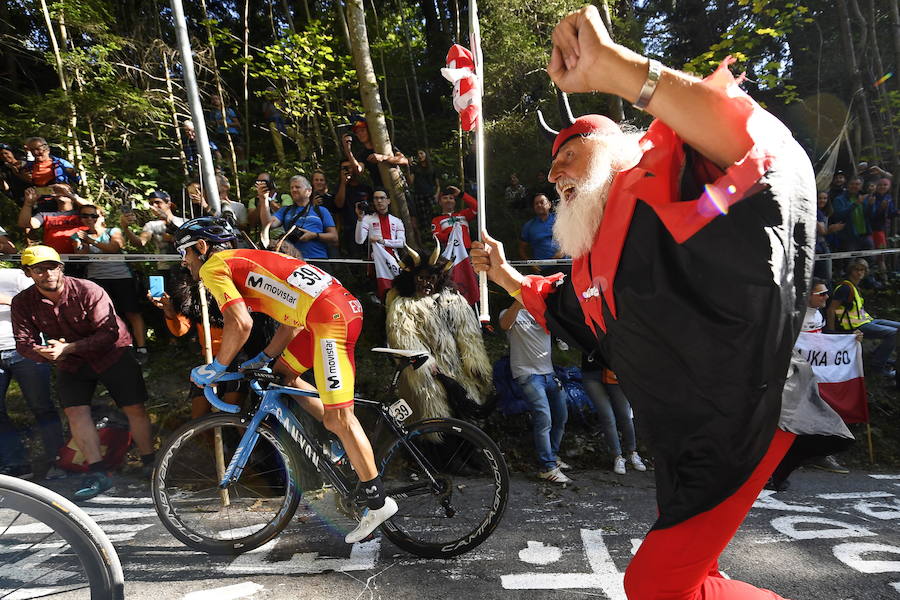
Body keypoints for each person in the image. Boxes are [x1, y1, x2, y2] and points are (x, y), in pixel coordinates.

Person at [471, 6, 829, 598]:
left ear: (617, 148)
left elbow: (753, 146)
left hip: (748, 413)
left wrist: (621, 72)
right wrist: (507, 275)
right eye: (550, 163)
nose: (553, 171)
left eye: (568, 151)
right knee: (697, 580)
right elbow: (566, 307)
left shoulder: (670, 172)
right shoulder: (594, 259)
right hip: (684, 438)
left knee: (657, 586)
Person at [174, 216, 397, 544]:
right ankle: (344, 443)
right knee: (283, 376)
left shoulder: (214, 267)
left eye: (185, 253)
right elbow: (290, 321)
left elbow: (240, 323)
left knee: (340, 417)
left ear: (202, 247)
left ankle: (376, 500)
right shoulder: (252, 263)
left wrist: (217, 368)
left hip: (329, 319)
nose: (184, 262)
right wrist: (263, 359)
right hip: (325, 312)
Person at [11, 246, 155, 500]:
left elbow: (108, 332)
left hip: (113, 352)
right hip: (71, 360)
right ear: (28, 273)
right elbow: (23, 343)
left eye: (52, 267)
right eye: (38, 269)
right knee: (75, 412)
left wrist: (67, 348)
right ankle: (98, 473)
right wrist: (43, 353)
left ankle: (151, 464)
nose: (47, 274)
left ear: (61, 267)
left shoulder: (88, 289)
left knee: (134, 407)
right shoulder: (22, 302)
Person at [0, 266, 63, 479]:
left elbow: (43, 304)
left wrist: (9, 300)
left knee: (41, 406)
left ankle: (59, 461)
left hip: (24, 349)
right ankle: (16, 463)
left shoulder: (13, 276)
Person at [500, 298, 570, 484]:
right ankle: (547, 467)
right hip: (527, 374)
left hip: (549, 373)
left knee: (561, 416)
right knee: (543, 417)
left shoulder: (544, 313)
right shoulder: (510, 312)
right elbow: (504, 324)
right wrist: (518, 302)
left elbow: (562, 328)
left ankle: (552, 455)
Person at [71, 206, 148, 364]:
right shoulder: (77, 235)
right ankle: (114, 347)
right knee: (103, 315)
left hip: (121, 277)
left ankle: (141, 348)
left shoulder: (113, 231)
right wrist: (83, 243)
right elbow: (80, 256)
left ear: (101, 216)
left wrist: (90, 240)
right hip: (96, 279)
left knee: (132, 312)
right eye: (85, 216)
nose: (90, 219)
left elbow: (114, 248)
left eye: (93, 215)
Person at [826, 258, 897, 378]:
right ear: (850, 271)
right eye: (856, 270)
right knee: (893, 333)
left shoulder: (854, 286)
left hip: (865, 320)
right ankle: (877, 366)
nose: (859, 273)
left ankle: (879, 355)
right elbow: (831, 309)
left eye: (862, 270)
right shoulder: (845, 288)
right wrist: (832, 332)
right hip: (855, 325)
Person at [581, 355, 646, 476]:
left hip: (614, 372)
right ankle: (617, 456)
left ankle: (632, 452)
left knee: (625, 414)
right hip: (591, 373)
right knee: (607, 416)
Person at [260, 175, 337, 259]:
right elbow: (268, 224)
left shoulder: (321, 211)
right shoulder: (285, 211)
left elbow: (334, 237)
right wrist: (264, 200)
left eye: (297, 187)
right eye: (292, 187)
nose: (294, 190)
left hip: (318, 259)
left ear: (309, 191)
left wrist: (314, 235)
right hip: (292, 259)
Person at [17, 184, 90, 254]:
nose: (61, 192)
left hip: (80, 257)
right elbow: (24, 223)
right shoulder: (45, 215)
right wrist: (28, 204)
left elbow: (96, 211)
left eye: (64, 190)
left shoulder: (82, 214)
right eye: (57, 190)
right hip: (54, 259)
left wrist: (70, 195)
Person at [333, 160, 374, 257]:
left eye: (350, 167)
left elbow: (373, 207)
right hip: (350, 230)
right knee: (355, 259)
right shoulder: (340, 188)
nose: (348, 170)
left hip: (368, 229)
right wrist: (343, 183)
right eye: (344, 168)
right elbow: (339, 204)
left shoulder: (366, 188)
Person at [519, 193, 566, 275]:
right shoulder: (529, 226)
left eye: (542, 202)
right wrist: (532, 264)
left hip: (564, 264)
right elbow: (522, 249)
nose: (539, 205)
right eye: (536, 203)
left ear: (549, 204)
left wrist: (564, 251)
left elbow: (573, 239)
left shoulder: (559, 220)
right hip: (544, 269)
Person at [354, 188, 405, 259]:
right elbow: (359, 241)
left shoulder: (397, 221)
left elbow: (402, 243)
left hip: (393, 260)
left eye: (382, 198)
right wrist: (360, 219)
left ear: (388, 201)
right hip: (375, 260)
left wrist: (382, 241)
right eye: (376, 198)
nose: (379, 201)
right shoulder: (367, 219)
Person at [814, 190, 843, 283]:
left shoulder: (827, 212)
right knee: (825, 274)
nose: (822, 200)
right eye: (820, 198)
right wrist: (831, 229)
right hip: (818, 245)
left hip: (825, 243)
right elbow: (822, 231)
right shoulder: (815, 212)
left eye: (825, 198)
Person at [409, 150, 439, 224]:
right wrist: (408, 166)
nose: (420, 156)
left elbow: (438, 184)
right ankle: (426, 233)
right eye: (418, 154)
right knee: (423, 217)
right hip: (419, 194)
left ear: (426, 154)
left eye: (421, 153)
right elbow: (410, 182)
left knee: (435, 214)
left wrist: (437, 194)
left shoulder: (432, 167)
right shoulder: (415, 168)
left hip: (431, 194)